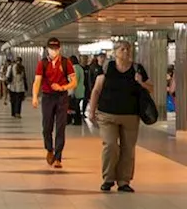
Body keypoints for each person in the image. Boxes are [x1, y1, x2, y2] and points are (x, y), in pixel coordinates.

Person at [87, 40, 151, 192]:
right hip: (107, 114)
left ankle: (124, 181)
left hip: (130, 115)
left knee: (128, 149)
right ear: (115, 52)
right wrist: (91, 111)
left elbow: (152, 88)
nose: (126, 52)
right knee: (110, 145)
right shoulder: (107, 68)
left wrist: (141, 82)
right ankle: (108, 178)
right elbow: (96, 90)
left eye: (128, 49)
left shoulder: (137, 69)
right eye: (123, 49)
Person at [33, 37, 77, 168]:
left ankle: (58, 157)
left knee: (60, 127)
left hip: (61, 97)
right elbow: (37, 81)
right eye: (51, 49)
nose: (54, 51)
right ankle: (49, 149)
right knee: (47, 126)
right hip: (47, 97)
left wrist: (63, 87)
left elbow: (74, 82)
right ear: (47, 49)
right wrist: (35, 96)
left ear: (60, 49)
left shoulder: (66, 62)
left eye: (56, 49)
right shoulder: (43, 63)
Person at [69, 55, 85, 125]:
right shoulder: (80, 68)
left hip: (76, 91)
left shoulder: (74, 68)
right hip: (80, 90)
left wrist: (71, 91)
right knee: (76, 106)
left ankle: (77, 121)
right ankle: (77, 120)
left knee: (75, 107)